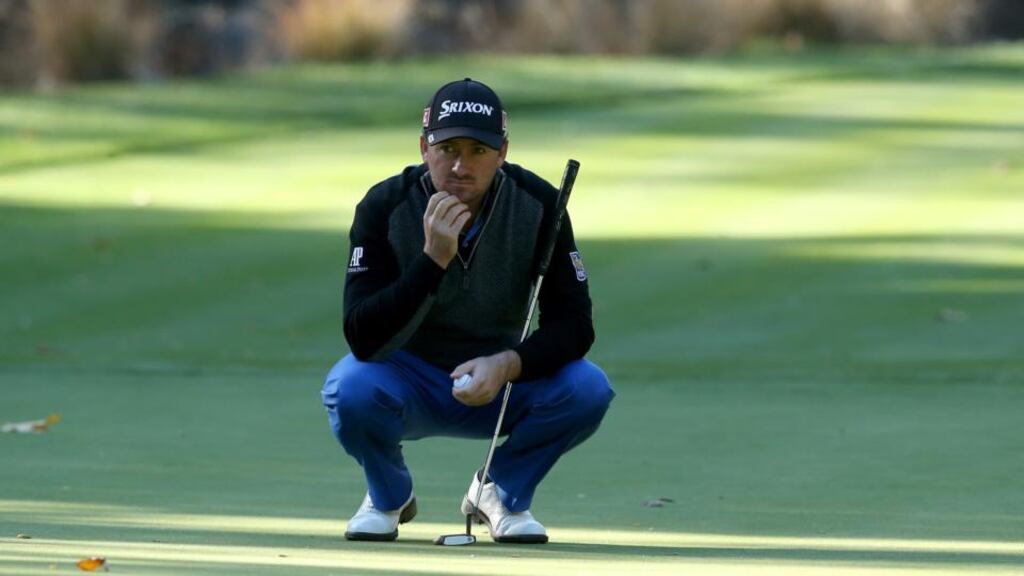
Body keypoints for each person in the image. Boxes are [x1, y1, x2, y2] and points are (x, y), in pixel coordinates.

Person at [320, 78, 613, 544]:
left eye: (478, 150)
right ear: (423, 147)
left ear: (502, 153)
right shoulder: (384, 206)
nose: (461, 165)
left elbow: (575, 325)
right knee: (349, 387)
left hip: (502, 381)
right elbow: (363, 336)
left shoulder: (540, 206)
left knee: (588, 388)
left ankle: (501, 492)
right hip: (407, 377)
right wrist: (432, 260)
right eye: (448, 148)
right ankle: (388, 495)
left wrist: (508, 364)